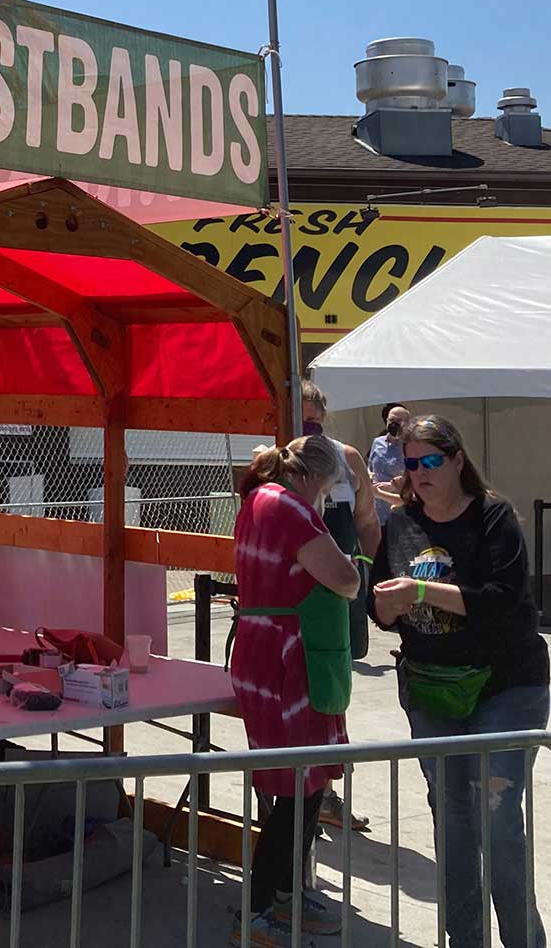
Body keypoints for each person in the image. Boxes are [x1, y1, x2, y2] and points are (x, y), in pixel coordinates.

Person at [371, 415, 549, 948]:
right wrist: (382, 606)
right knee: (452, 820)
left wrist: (422, 594)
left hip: (507, 684)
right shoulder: (402, 522)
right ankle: (465, 939)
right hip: (432, 687)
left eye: (429, 462)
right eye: (410, 464)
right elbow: (378, 602)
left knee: (495, 821)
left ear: (456, 461)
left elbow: (503, 600)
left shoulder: (492, 516)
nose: (419, 474)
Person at [230, 434, 360, 946]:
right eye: (326, 489)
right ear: (308, 478)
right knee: (296, 787)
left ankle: (284, 892)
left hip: (264, 651)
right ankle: (258, 909)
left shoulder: (257, 499)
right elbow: (344, 579)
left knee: (300, 785)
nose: (324, 500)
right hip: (287, 660)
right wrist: (353, 568)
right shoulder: (291, 509)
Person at [300, 379, 380, 831]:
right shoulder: (277, 458)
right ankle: (288, 797)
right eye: (299, 417)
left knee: (334, 695)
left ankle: (326, 795)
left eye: (313, 417)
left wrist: (363, 568)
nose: (307, 427)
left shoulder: (347, 459)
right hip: (292, 602)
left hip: (338, 593)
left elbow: (367, 521)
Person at [368, 404, 410, 524]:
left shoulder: (410, 445)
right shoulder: (377, 442)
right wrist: (369, 475)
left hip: (399, 509)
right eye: (391, 420)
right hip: (377, 511)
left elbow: (415, 474)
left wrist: (393, 485)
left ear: (407, 423)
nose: (394, 424)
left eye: (398, 421)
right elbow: (370, 466)